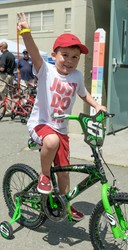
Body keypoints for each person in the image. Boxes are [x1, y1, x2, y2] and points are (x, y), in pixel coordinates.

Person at [17, 12, 107, 221]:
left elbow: (83, 94)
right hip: (41, 124)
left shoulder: (76, 76)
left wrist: (97, 106)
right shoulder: (45, 70)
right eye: (64, 55)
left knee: (65, 173)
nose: (69, 61)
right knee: (51, 140)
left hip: (62, 129)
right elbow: (33, 52)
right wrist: (26, 32)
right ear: (54, 54)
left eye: (75, 57)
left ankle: (65, 204)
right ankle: (44, 175)